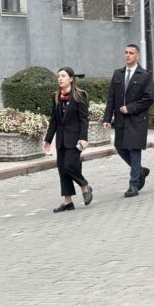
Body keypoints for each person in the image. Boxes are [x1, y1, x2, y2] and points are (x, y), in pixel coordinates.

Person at [103, 44, 154, 198]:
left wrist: (130, 108)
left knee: (134, 150)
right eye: (126, 52)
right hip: (121, 120)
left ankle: (133, 185)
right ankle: (140, 171)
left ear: (137, 56)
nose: (127, 55)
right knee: (120, 147)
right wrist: (107, 118)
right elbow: (111, 97)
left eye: (131, 53)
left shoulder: (145, 75)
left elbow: (149, 98)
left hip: (137, 119)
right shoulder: (118, 74)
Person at [43, 67, 93, 213]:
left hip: (75, 139)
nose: (60, 78)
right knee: (62, 169)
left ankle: (84, 185)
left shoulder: (79, 95)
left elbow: (84, 119)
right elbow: (54, 120)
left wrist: (83, 138)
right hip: (61, 139)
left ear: (71, 78)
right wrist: (48, 139)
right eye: (59, 76)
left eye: (63, 76)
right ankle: (68, 201)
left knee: (70, 165)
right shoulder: (56, 97)